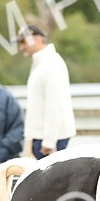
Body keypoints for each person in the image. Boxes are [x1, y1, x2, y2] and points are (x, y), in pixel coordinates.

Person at [16, 24, 77, 158]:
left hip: (50, 140)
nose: (21, 47)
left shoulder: (51, 63)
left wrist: (49, 142)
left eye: (23, 41)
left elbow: (54, 104)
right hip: (42, 136)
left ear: (37, 39)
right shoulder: (41, 63)